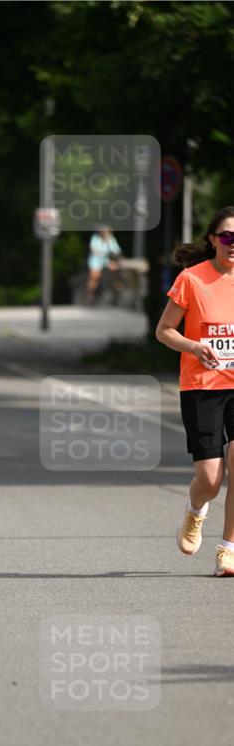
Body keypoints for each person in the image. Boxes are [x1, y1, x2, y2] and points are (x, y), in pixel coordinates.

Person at [155, 205, 234, 577]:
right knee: (211, 479)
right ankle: (196, 510)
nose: (233, 244)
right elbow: (164, 330)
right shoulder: (192, 279)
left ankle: (228, 549)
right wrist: (193, 346)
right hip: (202, 386)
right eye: (227, 237)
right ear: (213, 240)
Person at [86, 226, 122, 303]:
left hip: (106, 261)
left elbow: (116, 251)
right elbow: (93, 250)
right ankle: (90, 295)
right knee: (94, 277)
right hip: (95, 261)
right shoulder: (95, 238)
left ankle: (116, 291)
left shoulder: (111, 239)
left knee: (115, 271)